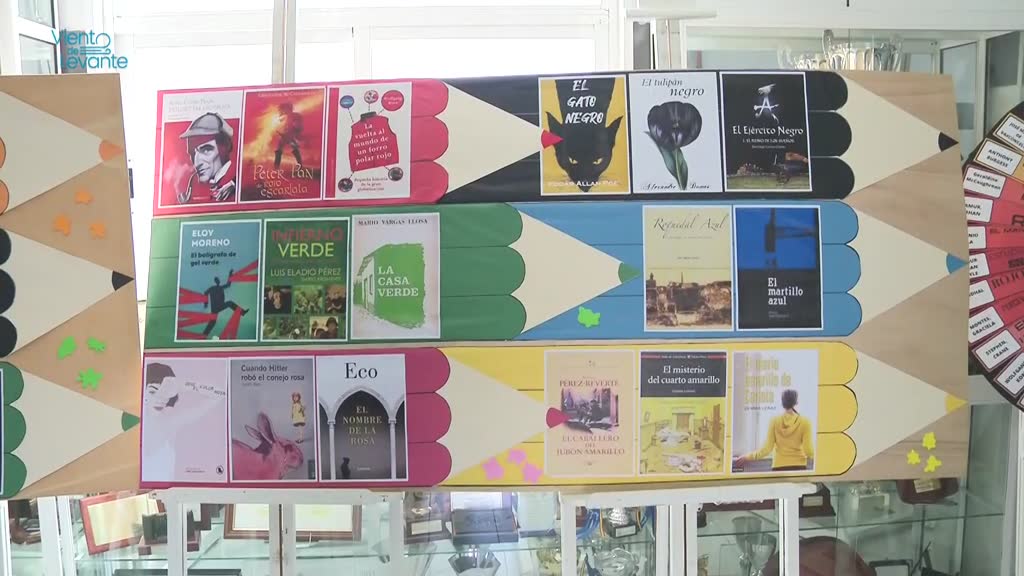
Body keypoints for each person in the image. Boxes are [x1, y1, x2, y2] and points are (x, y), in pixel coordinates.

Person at [733, 389, 814, 471]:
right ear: (796, 402)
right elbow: (809, 451)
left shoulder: (774, 421)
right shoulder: (805, 422)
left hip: (778, 467)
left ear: (782, 403)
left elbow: (767, 449)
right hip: (799, 467)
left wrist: (747, 457)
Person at [178, 112, 236, 204]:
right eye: (193, 153)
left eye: (206, 150)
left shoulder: (237, 179)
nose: (197, 162)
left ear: (226, 146)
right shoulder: (195, 186)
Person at [202, 271, 248, 337]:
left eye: (218, 280)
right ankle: (204, 335)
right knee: (213, 322)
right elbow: (205, 293)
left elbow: (228, 284)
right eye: (217, 280)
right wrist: (206, 303)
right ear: (215, 281)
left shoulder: (220, 287)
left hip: (220, 306)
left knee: (229, 303)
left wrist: (230, 274)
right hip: (215, 308)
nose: (218, 281)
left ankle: (242, 312)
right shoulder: (212, 288)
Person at [274, 102, 304, 169]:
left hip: (290, 136)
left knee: (294, 148)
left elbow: (298, 126)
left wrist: (294, 132)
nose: (283, 111)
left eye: (284, 109)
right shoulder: (284, 117)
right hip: (285, 135)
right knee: (279, 149)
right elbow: (281, 124)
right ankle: (276, 166)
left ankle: (300, 165)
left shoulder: (295, 116)